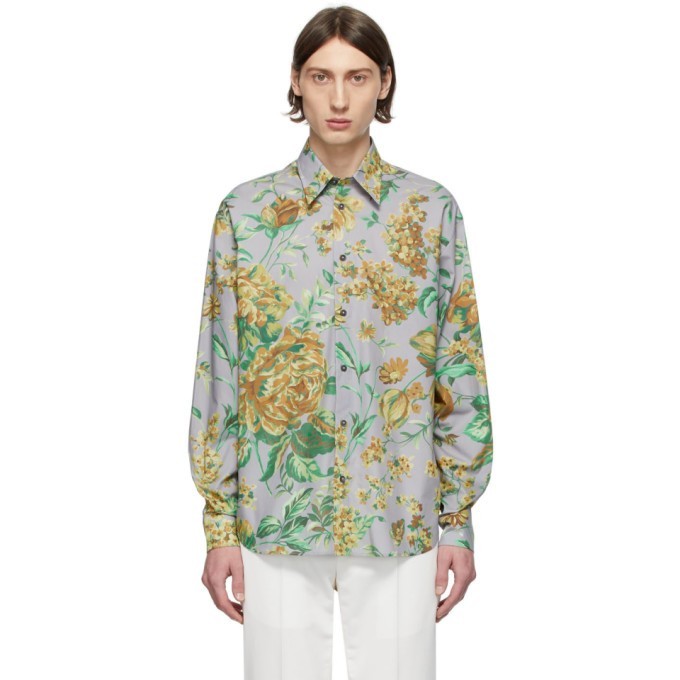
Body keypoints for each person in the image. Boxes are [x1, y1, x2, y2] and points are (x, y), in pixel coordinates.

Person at [187, 6, 494, 679]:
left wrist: (458, 521)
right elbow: (219, 372)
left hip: (398, 516)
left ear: (384, 82)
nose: (338, 98)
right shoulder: (246, 214)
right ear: (296, 82)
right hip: (274, 519)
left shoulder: (430, 211)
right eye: (321, 76)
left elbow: (458, 368)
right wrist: (219, 527)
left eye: (357, 77)